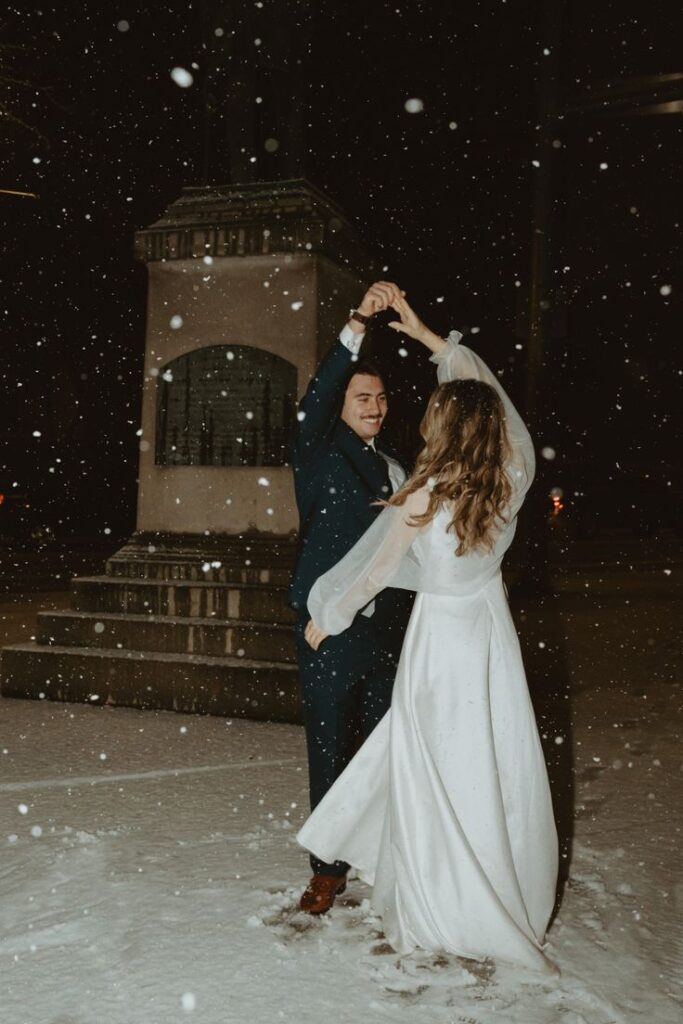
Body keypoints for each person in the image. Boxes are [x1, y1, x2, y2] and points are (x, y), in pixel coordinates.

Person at [297, 293, 560, 974]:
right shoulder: (508, 478)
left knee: (428, 765)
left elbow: (373, 569)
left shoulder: (422, 490)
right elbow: (506, 417)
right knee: (486, 758)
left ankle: (434, 896)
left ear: (445, 427)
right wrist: (432, 339)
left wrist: (328, 617)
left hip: (437, 643)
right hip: (488, 639)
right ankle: (494, 889)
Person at [290, 281, 414, 915]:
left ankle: (380, 854)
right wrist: (360, 322)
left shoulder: (396, 468)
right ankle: (327, 869)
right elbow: (316, 399)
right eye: (363, 397)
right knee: (331, 745)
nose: (375, 405)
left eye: (382, 396)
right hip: (327, 626)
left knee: (381, 745)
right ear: (340, 403)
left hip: (389, 625)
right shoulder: (317, 453)